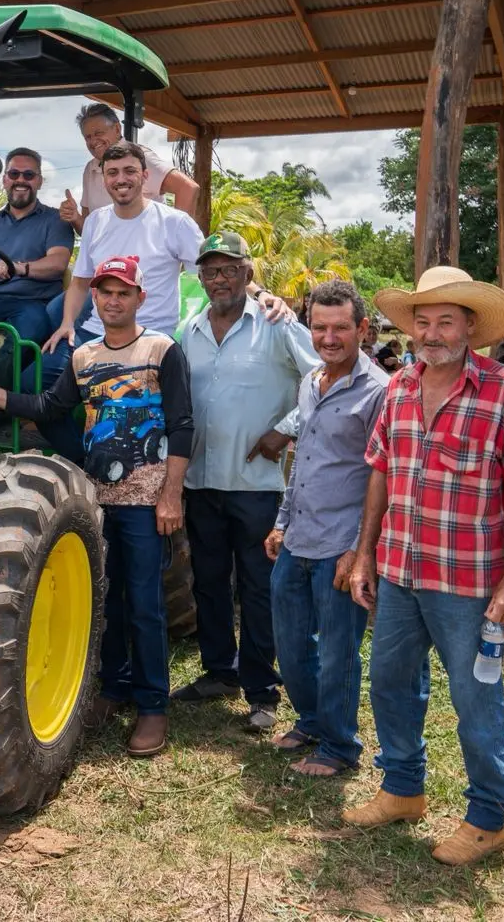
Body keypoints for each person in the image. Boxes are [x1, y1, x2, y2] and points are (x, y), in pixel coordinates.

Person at [345, 266, 504, 867]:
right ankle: (403, 788)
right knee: (389, 684)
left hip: (468, 581)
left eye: (445, 322)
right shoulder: (400, 386)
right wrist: (364, 553)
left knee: (475, 699)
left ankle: (488, 818)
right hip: (401, 572)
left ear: (470, 329)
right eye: (423, 322)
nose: (432, 334)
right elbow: (380, 471)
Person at [0, 255, 192, 758]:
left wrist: (171, 494)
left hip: (145, 501)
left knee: (145, 604)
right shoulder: (84, 356)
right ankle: (112, 689)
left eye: (123, 292)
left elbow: (182, 425)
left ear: (140, 298)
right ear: (95, 298)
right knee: (105, 601)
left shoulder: (162, 350)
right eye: (105, 292)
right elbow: (50, 409)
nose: (113, 300)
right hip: (96, 497)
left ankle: (152, 706)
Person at [40, 140, 284, 458]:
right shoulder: (96, 222)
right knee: (33, 385)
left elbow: (217, 269)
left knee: (132, 414)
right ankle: (86, 462)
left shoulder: (173, 223)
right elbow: (81, 282)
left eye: (129, 171)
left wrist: (261, 293)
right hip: (94, 333)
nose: (121, 179)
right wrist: (67, 323)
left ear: (145, 176)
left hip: (149, 337)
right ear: (104, 179)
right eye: (112, 172)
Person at [172, 231, 320, 732]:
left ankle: (262, 690)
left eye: (229, 269)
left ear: (248, 274)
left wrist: (285, 430)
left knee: (257, 587)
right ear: (201, 278)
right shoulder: (188, 330)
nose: (219, 279)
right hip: (201, 480)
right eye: (211, 271)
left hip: (256, 483)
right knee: (210, 583)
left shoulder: (277, 324)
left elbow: (322, 379)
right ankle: (219, 671)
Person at [263, 280, 386, 776]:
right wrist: (280, 523)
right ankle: (311, 720)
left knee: (338, 653)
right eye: (319, 327)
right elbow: (303, 460)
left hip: (342, 545)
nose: (328, 337)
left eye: (340, 328)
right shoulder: (310, 381)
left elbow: (385, 479)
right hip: (298, 538)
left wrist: (361, 550)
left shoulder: (378, 391)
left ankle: (339, 747)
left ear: (362, 329)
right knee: (291, 644)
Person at [0, 147, 73, 382]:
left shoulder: (54, 220)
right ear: (4, 180)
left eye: (28, 175)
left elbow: (58, 262)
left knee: (29, 328)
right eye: (14, 174)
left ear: (39, 181)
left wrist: (18, 267)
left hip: (28, 301)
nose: (21, 180)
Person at [56, 103, 199, 236]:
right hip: (108, 260)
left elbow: (187, 187)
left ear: (117, 129)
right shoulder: (90, 169)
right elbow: (90, 232)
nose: (93, 141)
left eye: (99, 133)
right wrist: (75, 217)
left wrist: (176, 239)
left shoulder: (139, 158)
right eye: (88, 137)